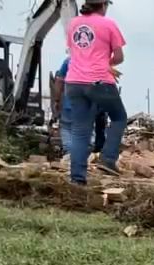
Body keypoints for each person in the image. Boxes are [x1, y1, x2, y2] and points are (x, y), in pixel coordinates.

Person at [65, 0, 127, 184]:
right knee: (119, 117)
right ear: (104, 5)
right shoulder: (108, 24)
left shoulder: (73, 23)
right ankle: (108, 159)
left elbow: (75, 51)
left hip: (74, 81)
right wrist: (107, 64)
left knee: (80, 131)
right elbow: (119, 57)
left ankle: (77, 179)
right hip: (98, 81)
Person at [54, 55, 108, 155]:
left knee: (67, 128)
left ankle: (69, 153)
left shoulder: (69, 61)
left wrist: (57, 100)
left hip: (70, 105)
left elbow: (59, 81)